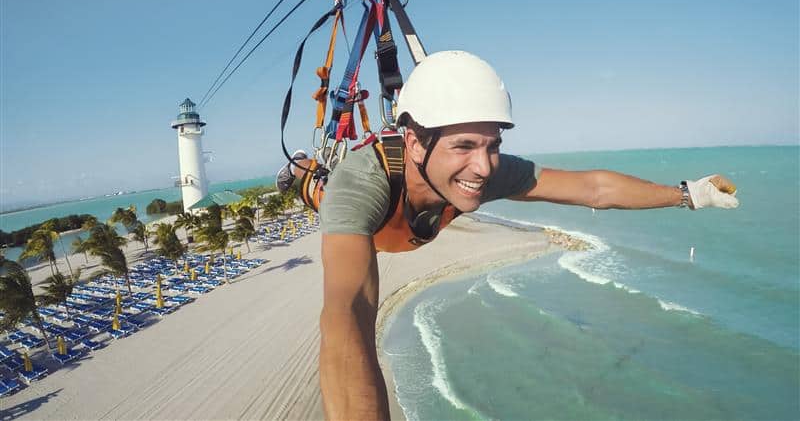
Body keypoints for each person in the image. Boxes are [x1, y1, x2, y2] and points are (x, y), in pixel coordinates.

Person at [275, 50, 739, 420]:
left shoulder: (481, 174)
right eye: (464, 146)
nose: (483, 166)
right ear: (414, 143)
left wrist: (688, 194)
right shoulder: (360, 186)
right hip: (356, 206)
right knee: (318, 188)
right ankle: (299, 169)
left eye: (493, 145)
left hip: (407, 222)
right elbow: (348, 314)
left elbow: (591, 188)